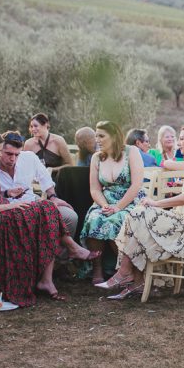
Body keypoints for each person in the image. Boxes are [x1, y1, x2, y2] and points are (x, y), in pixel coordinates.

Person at [0, 131, 95, 306]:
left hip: (2, 215)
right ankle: (70, 247)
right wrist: (9, 205)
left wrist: (7, 194)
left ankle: (50, 273)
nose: (0, 156)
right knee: (45, 209)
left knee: (46, 208)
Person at [101, 124, 184, 300]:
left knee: (139, 214)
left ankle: (126, 274)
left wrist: (156, 203)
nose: (178, 143)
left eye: (182, 139)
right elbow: (183, 181)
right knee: (139, 217)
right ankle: (134, 280)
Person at [0, 131, 81, 254]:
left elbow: (45, 177)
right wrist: (6, 193)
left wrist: (53, 197)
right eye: (8, 154)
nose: (13, 159)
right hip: (6, 208)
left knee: (70, 216)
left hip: (32, 201)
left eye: (17, 154)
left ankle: (58, 261)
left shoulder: (29, 157)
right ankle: (40, 259)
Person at [81, 120, 145, 284]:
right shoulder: (97, 158)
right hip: (106, 201)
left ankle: (125, 271)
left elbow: (136, 184)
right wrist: (104, 205)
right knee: (95, 219)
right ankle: (97, 268)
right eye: (96, 136)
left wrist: (118, 207)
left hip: (129, 201)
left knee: (116, 221)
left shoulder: (131, 152)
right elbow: (95, 189)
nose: (97, 140)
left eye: (101, 136)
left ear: (115, 136)